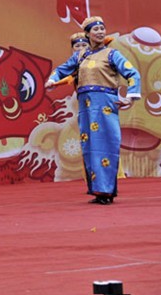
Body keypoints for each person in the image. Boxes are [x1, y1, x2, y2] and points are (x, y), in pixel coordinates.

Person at [45, 16, 141, 205]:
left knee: (105, 144)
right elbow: (63, 69)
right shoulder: (80, 56)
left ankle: (106, 190)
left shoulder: (112, 54)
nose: (100, 32)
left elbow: (132, 73)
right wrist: (52, 80)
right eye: (95, 29)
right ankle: (98, 190)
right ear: (87, 34)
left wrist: (130, 96)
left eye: (102, 28)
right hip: (86, 107)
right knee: (89, 146)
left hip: (105, 105)